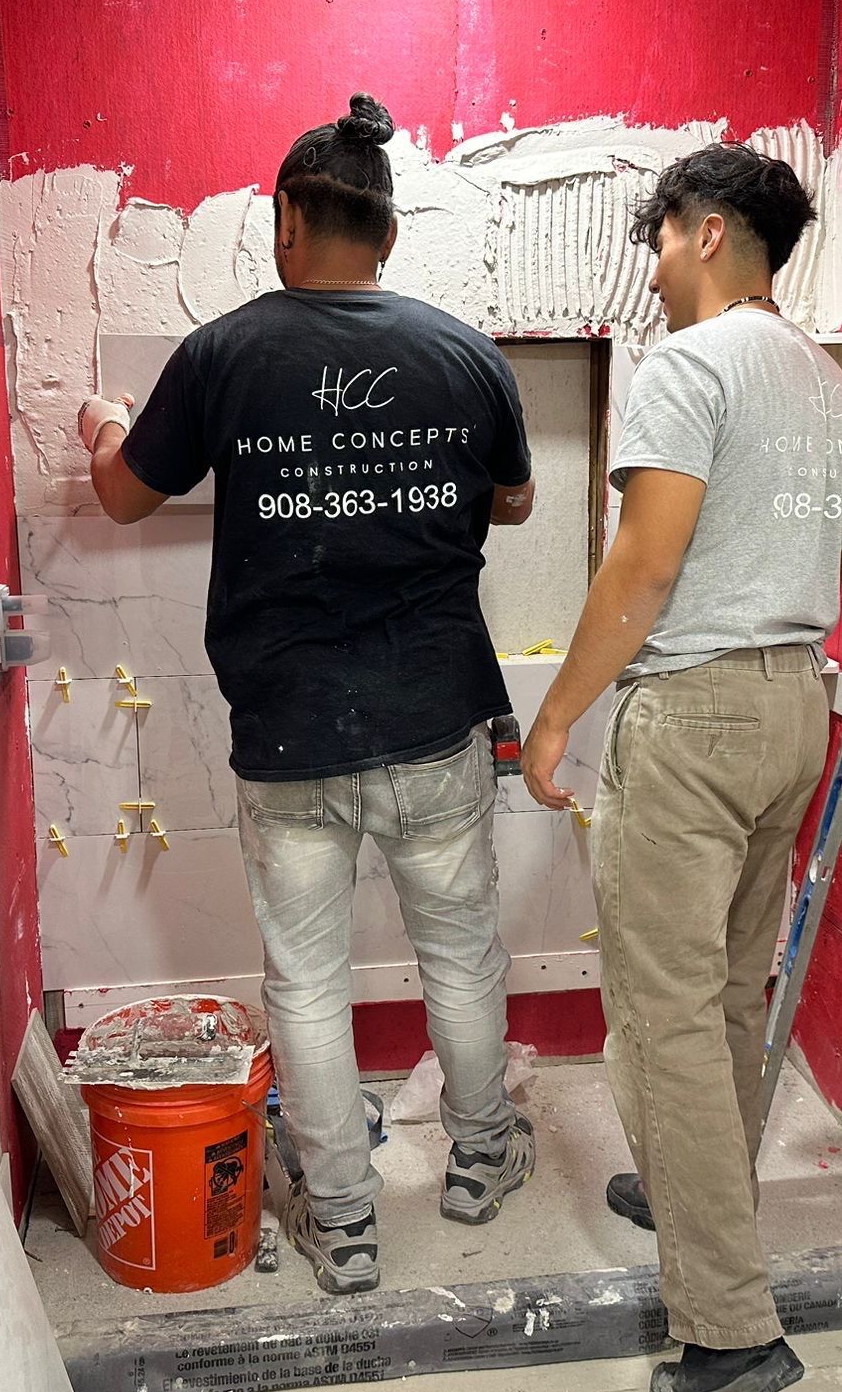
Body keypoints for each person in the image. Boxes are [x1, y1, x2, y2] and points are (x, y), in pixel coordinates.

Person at [78, 94, 538, 1295]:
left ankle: (341, 1220)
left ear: (286, 217)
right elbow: (515, 500)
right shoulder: (464, 355)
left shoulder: (223, 354)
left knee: (307, 983)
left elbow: (122, 495)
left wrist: (101, 424)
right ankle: (480, 1160)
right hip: (433, 723)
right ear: (387, 233)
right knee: (460, 960)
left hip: (288, 735)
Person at [521, 144, 842, 1392]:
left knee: (658, 1013)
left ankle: (727, 1331)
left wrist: (556, 714)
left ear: (708, 231)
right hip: (792, 706)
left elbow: (645, 567)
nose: (655, 270)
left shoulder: (690, 365)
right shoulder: (824, 386)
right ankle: (692, 1196)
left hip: (698, 712)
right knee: (722, 993)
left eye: (660, 241)